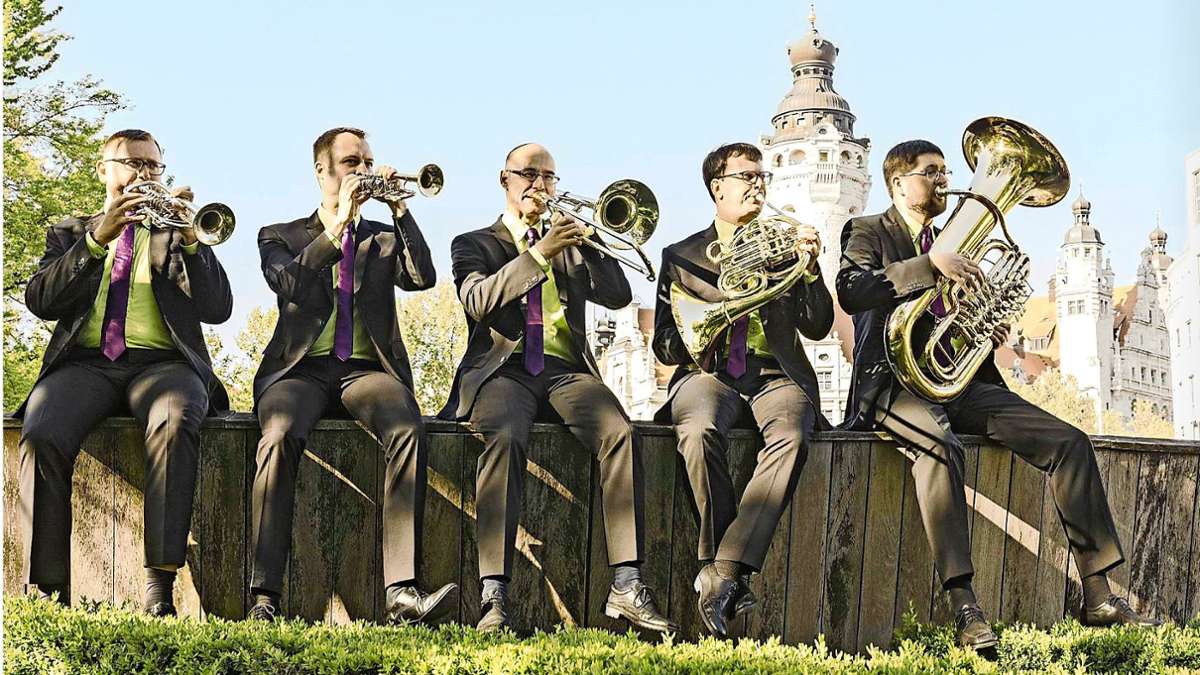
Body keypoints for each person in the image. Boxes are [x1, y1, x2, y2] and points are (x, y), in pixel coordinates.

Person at [837, 139, 1159, 650]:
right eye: (931, 172)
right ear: (899, 182)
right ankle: (965, 606)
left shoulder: (953, 239)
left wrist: (983, 326)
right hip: (890, 385)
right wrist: (930, 266)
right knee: (939, 446)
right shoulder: (869, 230)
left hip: (956, 382)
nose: (944, 180)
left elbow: (952, 315)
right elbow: (852, 290)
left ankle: (1098, 593)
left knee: (1069, 442)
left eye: (946, 171)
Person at [440, 142, 674, 634]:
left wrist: (593, 242)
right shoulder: (473, 243)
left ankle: (627, 583)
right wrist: (539, 254)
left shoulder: (570, 243)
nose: (540, 184)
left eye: (549, 176)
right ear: (505, 179)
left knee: (619, 432)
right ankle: (493, 595)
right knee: (504, 437)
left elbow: (619, 295)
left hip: (566, 370)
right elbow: (478, 300)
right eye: (529, 174)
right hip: (503, 370)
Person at [16, 128, 232, 617]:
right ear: (104, 170)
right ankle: (47, 590)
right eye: (133, 163)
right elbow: (41, 301)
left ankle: (159, 585)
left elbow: (218, 309)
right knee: (43, 432)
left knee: (175, 421)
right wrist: (97, 241)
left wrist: (192, 240)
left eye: (153, 165)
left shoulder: (177, 234)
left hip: (165, 365)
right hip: (85, 364)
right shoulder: (70, 232)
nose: (144, 173)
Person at [247, 127, 454, 624]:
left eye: (367, 161)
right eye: (350, 162)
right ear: (321, 171)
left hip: (364, 371)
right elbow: (289, 283)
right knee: (278, 435)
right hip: (299, 371)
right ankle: (264, 595)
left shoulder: (383, 236)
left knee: (407, 426)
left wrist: (400, 211)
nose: (362, 170)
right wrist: (337, 224)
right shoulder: (279, 235)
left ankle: (401, 591)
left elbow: (422, 277)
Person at [651, 142, 831, 637]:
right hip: (708, 371)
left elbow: (818, 326)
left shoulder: (786, 246)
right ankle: (726, 571)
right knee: (698, 429)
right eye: (746, 176)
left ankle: (724, 571)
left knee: (792, 434)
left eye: (761, 176)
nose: (757, 184)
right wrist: (711, 320)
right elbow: (664, 345)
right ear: (718, 187)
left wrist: (811, 269)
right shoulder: (681, 255)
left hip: (774, 373)